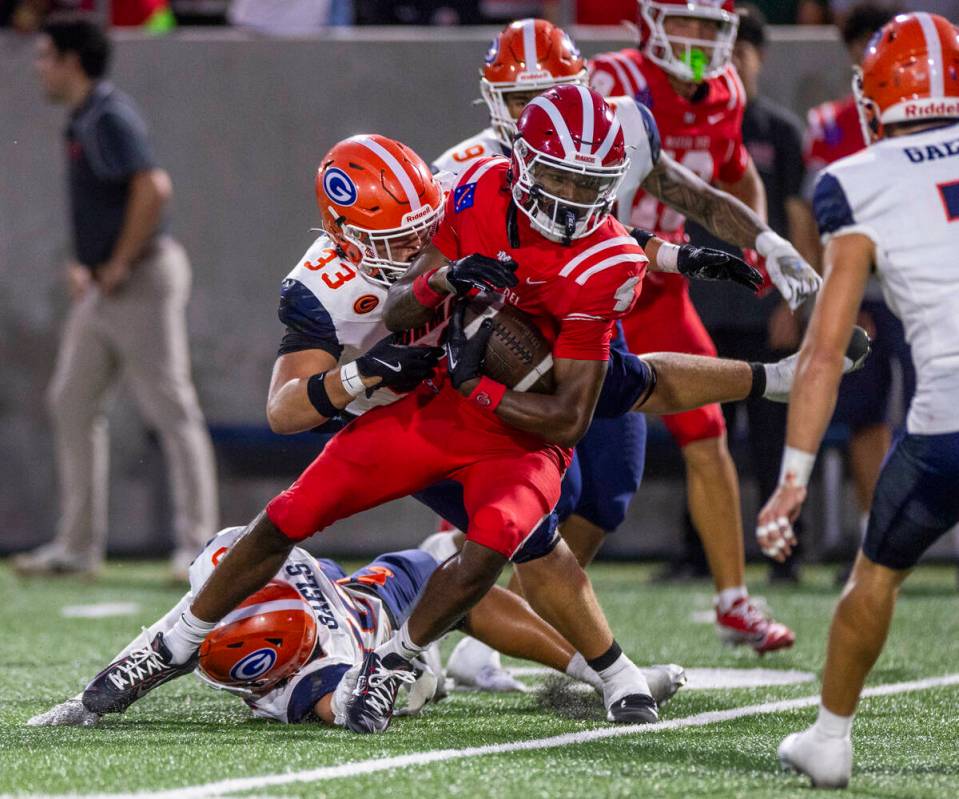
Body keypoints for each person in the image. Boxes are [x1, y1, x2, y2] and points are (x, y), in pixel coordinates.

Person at [73, 118, 866, 737]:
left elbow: (572, 224)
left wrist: (669, 257)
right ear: (343, 235)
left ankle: (479, 658)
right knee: (302, 515)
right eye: (393, 241)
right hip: (412, 407)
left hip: (499, 392)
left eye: (423, 228)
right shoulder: (320, 287)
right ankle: (172, 641)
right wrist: (366, 372)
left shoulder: (464, 195)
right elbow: (286, 409)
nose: (414, 246)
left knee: (550, 491)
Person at [756, 13, 959, 788]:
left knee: (874, 573)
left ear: (873, 100)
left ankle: (830, 738)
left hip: (945, 423)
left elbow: (822, 348)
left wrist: (794, 476)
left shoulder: (857, 179)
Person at [592, 2, 822, 651]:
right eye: (686, 24)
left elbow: (733, 170)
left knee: (709, 433)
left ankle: (732, 599)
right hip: (586, 287)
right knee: (564, 460)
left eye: (711, 28)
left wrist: (756, 232)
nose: (699, 40)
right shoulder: (610, 82)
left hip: (659, 289)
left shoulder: (722, 91)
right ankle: (491, 605)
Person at [26, 524, 688, 728]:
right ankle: (586, 673)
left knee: (453, 546)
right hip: (380, 647)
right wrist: (382, 679)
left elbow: (162, 639)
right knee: (461, 586)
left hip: (360, 596)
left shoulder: (229, 599)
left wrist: (91, 699)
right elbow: (349, 709)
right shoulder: (301, 682)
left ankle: (586, 670)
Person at [14, 18, 218, 581]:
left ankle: (199, 547)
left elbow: (153, 188)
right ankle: (78, 547)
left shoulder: (107, 115)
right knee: (71, 402)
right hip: (107, 285)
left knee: (172, 410)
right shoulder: (84, 118)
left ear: (72, 60)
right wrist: (88, 266)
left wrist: (120, 262)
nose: (38, 67)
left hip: (141, 280)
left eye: (45, 56)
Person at [688, 3, 817, 583]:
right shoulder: (696, 126)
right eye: (724, 51)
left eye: (742, 51)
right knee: (700, 431)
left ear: (760, 57)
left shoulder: (781, 131)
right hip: (700, 304)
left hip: (763, 313)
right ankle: (696, 556)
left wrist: (796, 305)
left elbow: (798, 222)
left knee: (773, 438)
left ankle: (785, 554)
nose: (733, 62)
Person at [804, 3, 915, 577]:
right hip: (863, 284)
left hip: (919, 280)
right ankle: (877, 533)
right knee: (867, 415)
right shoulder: (830, 122)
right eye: (864, 43)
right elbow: (809, 214)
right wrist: (825, 291)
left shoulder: (929, 120)